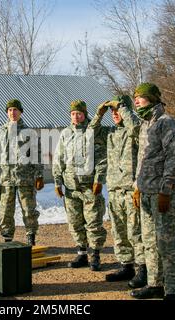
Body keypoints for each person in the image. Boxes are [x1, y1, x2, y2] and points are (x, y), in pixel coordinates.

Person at [130, 83, 175, 300]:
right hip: (146, 194)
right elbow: (142, 161)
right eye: (135, 97)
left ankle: (173, 290)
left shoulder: (167, 123)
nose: (136, 101)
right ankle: (155, 284)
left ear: (153, 99)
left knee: (167, 243)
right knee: (150, 242)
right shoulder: (145, 125)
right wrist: (137, 187)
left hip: (164, 196)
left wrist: (166, 190)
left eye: (141, 97)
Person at [89, 96, 146, 287]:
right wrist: (99, 114)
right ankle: (126, 266)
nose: (115, 115)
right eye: (113, 112)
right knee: (119, 232)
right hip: (114, 191)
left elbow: (136, 127)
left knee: (135, 232)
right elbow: (90, 133)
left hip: (131, 191)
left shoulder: (136, 130)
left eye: (117, 112)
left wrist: (122, 108)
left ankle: (143, 269)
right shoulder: (110, 133)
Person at [52, 100, 107, 271]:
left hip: (89, 187)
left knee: (93, 222)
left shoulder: (92, 132)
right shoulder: (66, 133)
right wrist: (57, 181)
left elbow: (101, 158)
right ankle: (82, 253)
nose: (76, 117)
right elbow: (59, 158)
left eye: (79, 114)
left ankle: (95, 255)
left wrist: (99, 180)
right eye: (73, 114)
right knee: (75, 222)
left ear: (85, 114)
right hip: (70, 187)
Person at [0, 99, 44, 246]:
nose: (12, 113)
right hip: (6, 179)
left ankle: (31, 236)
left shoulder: (29, 132)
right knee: (5, 211)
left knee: (29, 210)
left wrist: (39, 175)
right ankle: (7, 239)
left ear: (21, 112)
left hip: (25, 179)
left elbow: (36, 155)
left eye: (15, 110)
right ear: (7, 113)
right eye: (10, 110)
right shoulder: (0, 132)